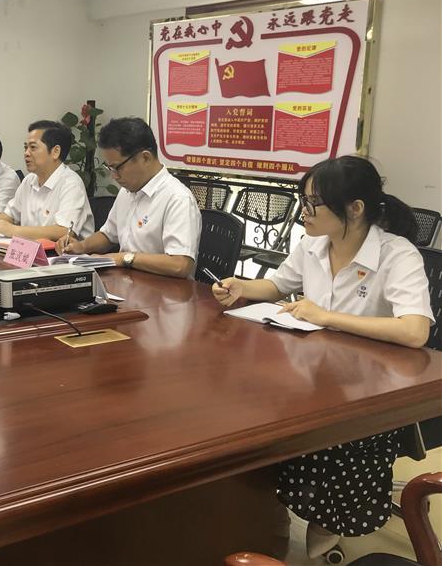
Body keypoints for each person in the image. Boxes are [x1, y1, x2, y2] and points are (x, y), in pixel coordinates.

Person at [211, 156, 433, 556]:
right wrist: (240, 287)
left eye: (313, 203)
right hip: (316, 373)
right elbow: (277, 286)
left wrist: (327, 317)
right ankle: (264, 512)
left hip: (372, 390)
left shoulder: (396, 255)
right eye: (303, 200)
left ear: (355, 208)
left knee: (320, 437)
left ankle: (328, 515)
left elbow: (415, 331)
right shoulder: (313, 245)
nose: (304, 212)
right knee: (252, 416)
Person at [55, 117, 201, 277]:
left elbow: (180, 265)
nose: (114, 176)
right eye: (109, 168)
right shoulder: (127, 191)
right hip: (127, 281)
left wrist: (125, 258)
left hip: (163, 288)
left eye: (117, 167)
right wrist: (81, 246)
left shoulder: (177, 198)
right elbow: (109, 235)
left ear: (145, 158)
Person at [0, 120, 94, 240]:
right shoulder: (29, 180)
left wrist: (14, 230)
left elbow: (64, 232)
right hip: (29, 249)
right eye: (25, 147)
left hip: (60, 252)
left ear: (55, 152)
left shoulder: (71, 184)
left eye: (33, 147)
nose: (26, 153)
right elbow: (10, 215)